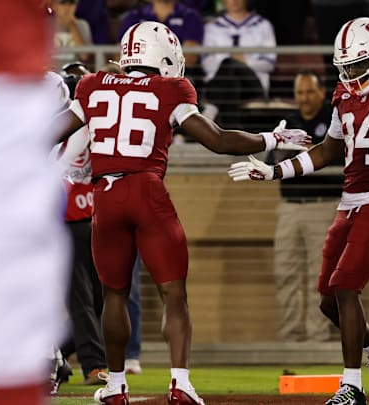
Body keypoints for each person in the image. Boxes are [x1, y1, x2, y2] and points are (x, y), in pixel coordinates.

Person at [50, 21, 309, 405]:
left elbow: (45, 134)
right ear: (164, 56)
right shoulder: (171, 89)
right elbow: (217, 140)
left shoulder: (93, 85)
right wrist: (271, 138)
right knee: (173, 293)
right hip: (146, 191)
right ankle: (180, 383)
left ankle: (116, 385)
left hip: (105, 195)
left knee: (113, 295)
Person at [228, 17, 369, 405]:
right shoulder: (343, 96)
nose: (351, 76)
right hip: (350, 203)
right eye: (345, 67)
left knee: (346, 287)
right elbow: (326, 151)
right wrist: (274, 171)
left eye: (358, 66)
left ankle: (350, 385)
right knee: (327, 301)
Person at [0, 2, 70, 405]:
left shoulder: (43, 85)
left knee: (18, 273)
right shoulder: (50, 84)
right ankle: (49, 357)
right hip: (23, 186)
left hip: (22, 189)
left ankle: (45, 358)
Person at [266, 71, 343, 342]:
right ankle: (291, 337)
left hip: (323, 206)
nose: (305, 98)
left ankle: (317, 338)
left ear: (322, 92)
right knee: (285, 273)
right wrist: (281, 145)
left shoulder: (332, 121)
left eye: (310, 92)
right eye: (300, 93)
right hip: (289, 207)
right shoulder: (289, 123)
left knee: (318, 276)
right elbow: (270, 163)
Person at [50, 71, 108, 387]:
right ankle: (93, 365)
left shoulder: (97, 127)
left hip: (91, 218)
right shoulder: (60, 130)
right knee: (81, 298)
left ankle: (53, 354)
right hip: (64, 222)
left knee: (98, 300)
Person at [201, 0, 276, 127]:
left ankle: (209, 113)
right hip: (221, 85)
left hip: (253, 84)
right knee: (231, 81)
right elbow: (207, 64)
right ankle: (233, 135)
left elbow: (269, 63)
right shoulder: (212, 27)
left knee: (229, 63)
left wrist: (243, 62)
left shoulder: (263, 25)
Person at [118, 0, 204, 67]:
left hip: (178, 78)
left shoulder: (190, 16)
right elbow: (119, 55)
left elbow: (189, 57)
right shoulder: (134, 16)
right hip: (141, 76)